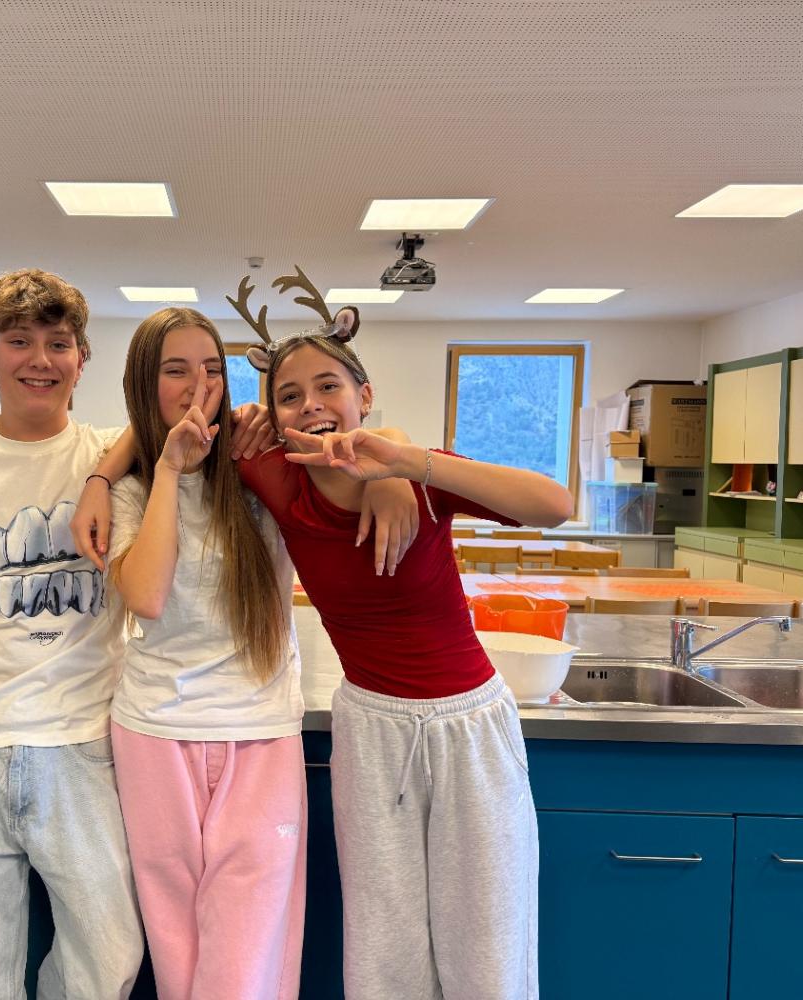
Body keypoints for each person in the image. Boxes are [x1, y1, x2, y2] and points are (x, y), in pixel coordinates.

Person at [0, 271, 272, 999]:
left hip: (82, 741)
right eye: (19, 342)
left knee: (111, 952)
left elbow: (171, 422)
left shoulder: (114, 460)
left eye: (58, 343)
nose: (40, 360)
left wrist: (100, 475)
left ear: (82, 357)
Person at [72, 307, 418, 1000]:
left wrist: (389, 474)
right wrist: (163, 471)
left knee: (248, 948)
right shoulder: (132, 486)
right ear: (145, 384)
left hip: (258, 728)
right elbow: (146, 594)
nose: (198, 386)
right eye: (175, 370)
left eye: (211, 369)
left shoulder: (260, 463)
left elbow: (365, 437)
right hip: (154, 731)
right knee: (175, 939)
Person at [236, 310, 574, 1000]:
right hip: (371, 729)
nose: (311, 404)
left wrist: (400, 460)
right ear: (274, 417)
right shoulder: (276, 475)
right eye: (289, 395)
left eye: (328, 386)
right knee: (383, 945)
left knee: (487, 937)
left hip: (469, 725)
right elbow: (173, 426)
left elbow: (553, 504)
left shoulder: (419, 477)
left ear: (364, 395)